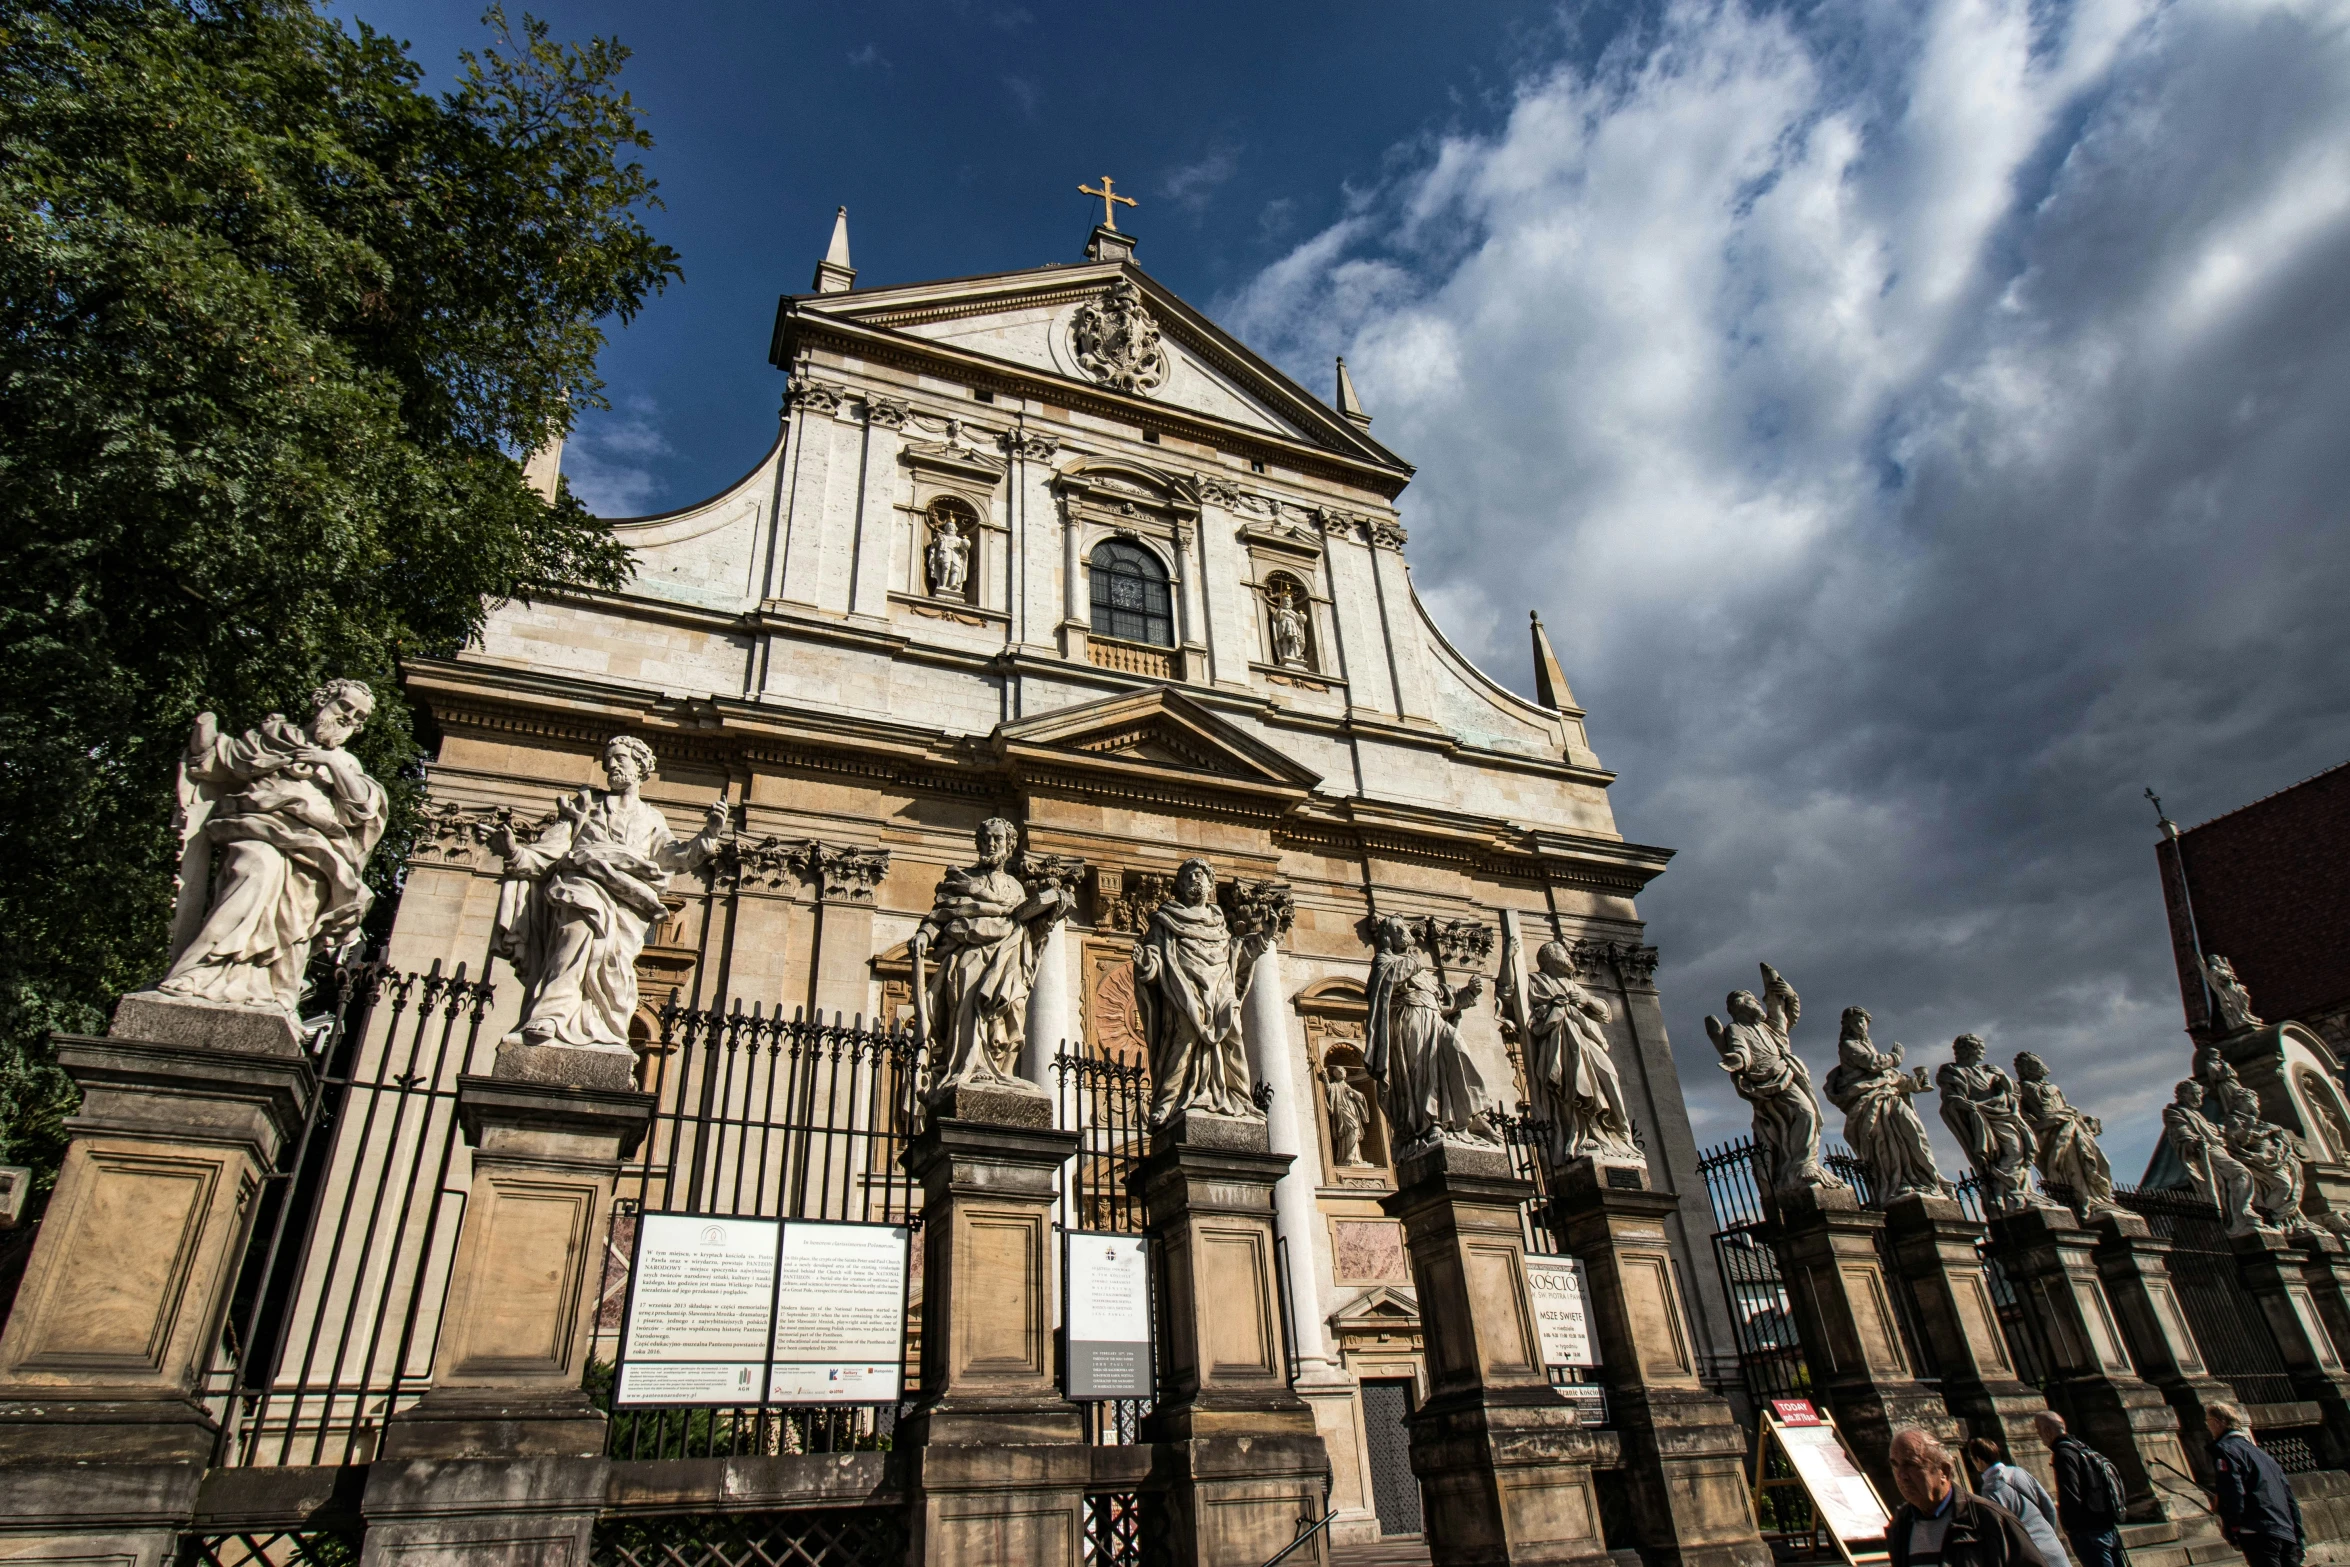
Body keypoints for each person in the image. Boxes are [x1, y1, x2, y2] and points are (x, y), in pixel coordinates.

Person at [1887, 1428, 2050, 1567]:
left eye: (1912, 1464)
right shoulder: (1901, 1526)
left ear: (1943, 1471)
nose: (1901, 1476)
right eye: (1895, 1465)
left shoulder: (1990, 1519)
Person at [2205, 1402, 2306, 1567]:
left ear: (2218, 1422)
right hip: (2284, 1528)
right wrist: (2298, 1535)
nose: (2208, 1427)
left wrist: (2232, 1527)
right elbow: (2289, 1496)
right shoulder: (2262, 1454)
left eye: (2208, 1421)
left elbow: (2232, 1490)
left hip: (2257, 1530)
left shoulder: (2225, 1450)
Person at [2034, 1412, 2129, 1567]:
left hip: (2088, 1530)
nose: (2039, 1436)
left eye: (2039, 1431)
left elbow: (2070, 1492)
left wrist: (2069, 1526)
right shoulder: (2084, 1449)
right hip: (2107, 1526)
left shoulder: (2063, 1453)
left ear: (2047, 1431)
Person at [1965, 1438, 2071, 1567]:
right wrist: (2048, 1532)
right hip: (2051, 1543)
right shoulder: (2020, 1472)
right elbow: (2049, 1507)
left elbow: (2000, 1531)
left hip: (2029, 1554)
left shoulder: (1990, 1490)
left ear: (1979, 1460)